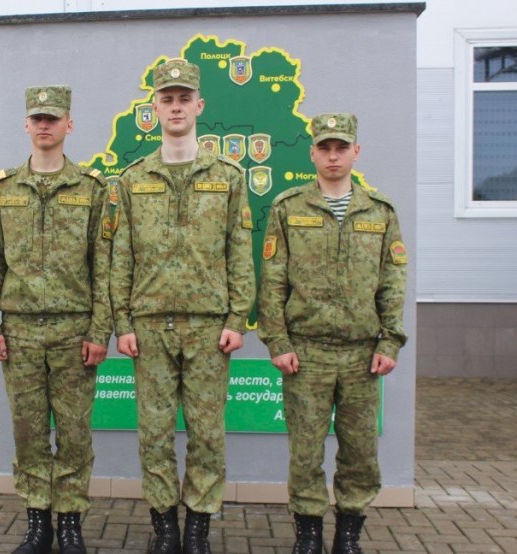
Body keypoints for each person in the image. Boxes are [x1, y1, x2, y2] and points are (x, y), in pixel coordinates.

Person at [110, 58, 255, 554]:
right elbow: (121, 256)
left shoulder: (228, 176)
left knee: (207, 434)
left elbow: (239, 251)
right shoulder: (132, 178)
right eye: (166, 99)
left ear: (199, 105)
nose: (175, 107)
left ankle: (197, 531)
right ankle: (164, 530)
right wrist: (121, 322)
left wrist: (238, 318)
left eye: (183, 98)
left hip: (209, 327)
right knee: (153, 434)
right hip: (148, 326)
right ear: (154, 108)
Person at [257, 113, 408, 554]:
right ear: (313, 153)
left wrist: (390, 340)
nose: (333, 155)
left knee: (359, 453)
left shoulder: (379, 211)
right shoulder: (288, 208)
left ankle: (348, 535)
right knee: (305, 452)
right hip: (307, 353)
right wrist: (278, 342)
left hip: (363, 356)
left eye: (342, 147)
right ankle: (307, 536)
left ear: (356, 152)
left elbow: (392, 282)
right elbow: (273, 280)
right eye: (325, 147)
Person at [0, 85, 113, 554]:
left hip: (73, 333)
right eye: (36, 118)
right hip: (19, 332)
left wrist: (100, 331)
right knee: (29, 430)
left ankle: (71, 521)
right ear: (26, 124)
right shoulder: (3, 188)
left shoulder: (92, 189)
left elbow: (104, 268)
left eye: (53, 118)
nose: (44, 125)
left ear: (68, 125)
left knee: (74, 432)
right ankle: (38, 523)